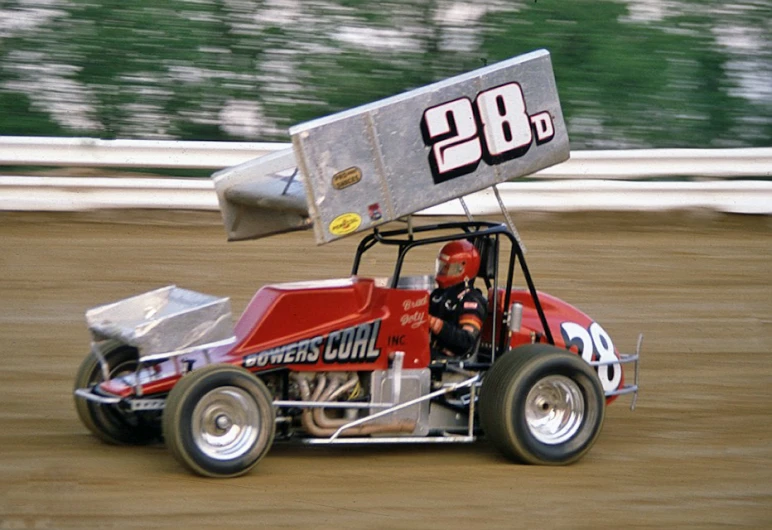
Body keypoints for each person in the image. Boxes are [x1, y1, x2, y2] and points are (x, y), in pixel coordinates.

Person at [428, 240, 487, 359]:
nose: (442, 271)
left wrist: (435, 324)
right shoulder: (438, 294)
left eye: (447, 267)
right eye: (442, 266)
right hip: (428, 352)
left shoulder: (471, 301)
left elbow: (466, 341)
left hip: (451, 361)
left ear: (462, 269)